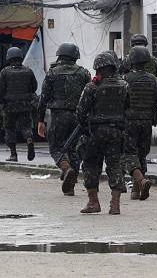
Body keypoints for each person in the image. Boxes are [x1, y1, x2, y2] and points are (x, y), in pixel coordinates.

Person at [76, 52, 130, 215]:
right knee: (114, 165)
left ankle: (93, 202)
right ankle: (115, 205)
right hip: (116, 131)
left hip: (95, 132)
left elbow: (80, 112)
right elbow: (128, 108)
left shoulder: (92, 87)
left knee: (91, 165)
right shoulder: (124, 85)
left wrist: (86, 128)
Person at [37, 43, 91, 194]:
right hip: (78, 116)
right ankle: (70, 186)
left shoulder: (52, 73)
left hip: (59, 115)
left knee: (55, 147)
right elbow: (90, 95)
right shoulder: (83, 73)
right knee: (75, 149)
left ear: (60, 55)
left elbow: (43, 98)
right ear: (75, 56)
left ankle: (66, 169)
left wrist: (40, 120)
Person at [122, 46, 157, 201]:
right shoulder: (154, 79)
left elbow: (121, 101)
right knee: (142, 154)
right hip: (147, 121)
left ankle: (140, 181)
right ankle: (136, 190)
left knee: (129, 154)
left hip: (130, 121)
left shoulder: (125, 79)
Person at [0, 46, 38, 162]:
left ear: (9, 57)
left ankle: (13, 155)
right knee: (26, 126)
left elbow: (1, 89)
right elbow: (34, 87)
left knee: (10, 129)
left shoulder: (5, 72)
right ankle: (29, 140)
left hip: (10, 106)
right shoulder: (28, 71)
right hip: (25, 105)